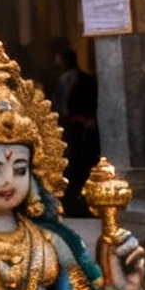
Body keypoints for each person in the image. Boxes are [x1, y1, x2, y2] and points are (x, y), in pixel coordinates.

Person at [50, 43, 100, 214]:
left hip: (75, 129)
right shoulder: (78, 79)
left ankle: (78, 200)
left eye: (59, 60)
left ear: (64, 61)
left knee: (77, 163)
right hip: (77, 127)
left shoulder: (75, 80)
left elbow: (60, 105)